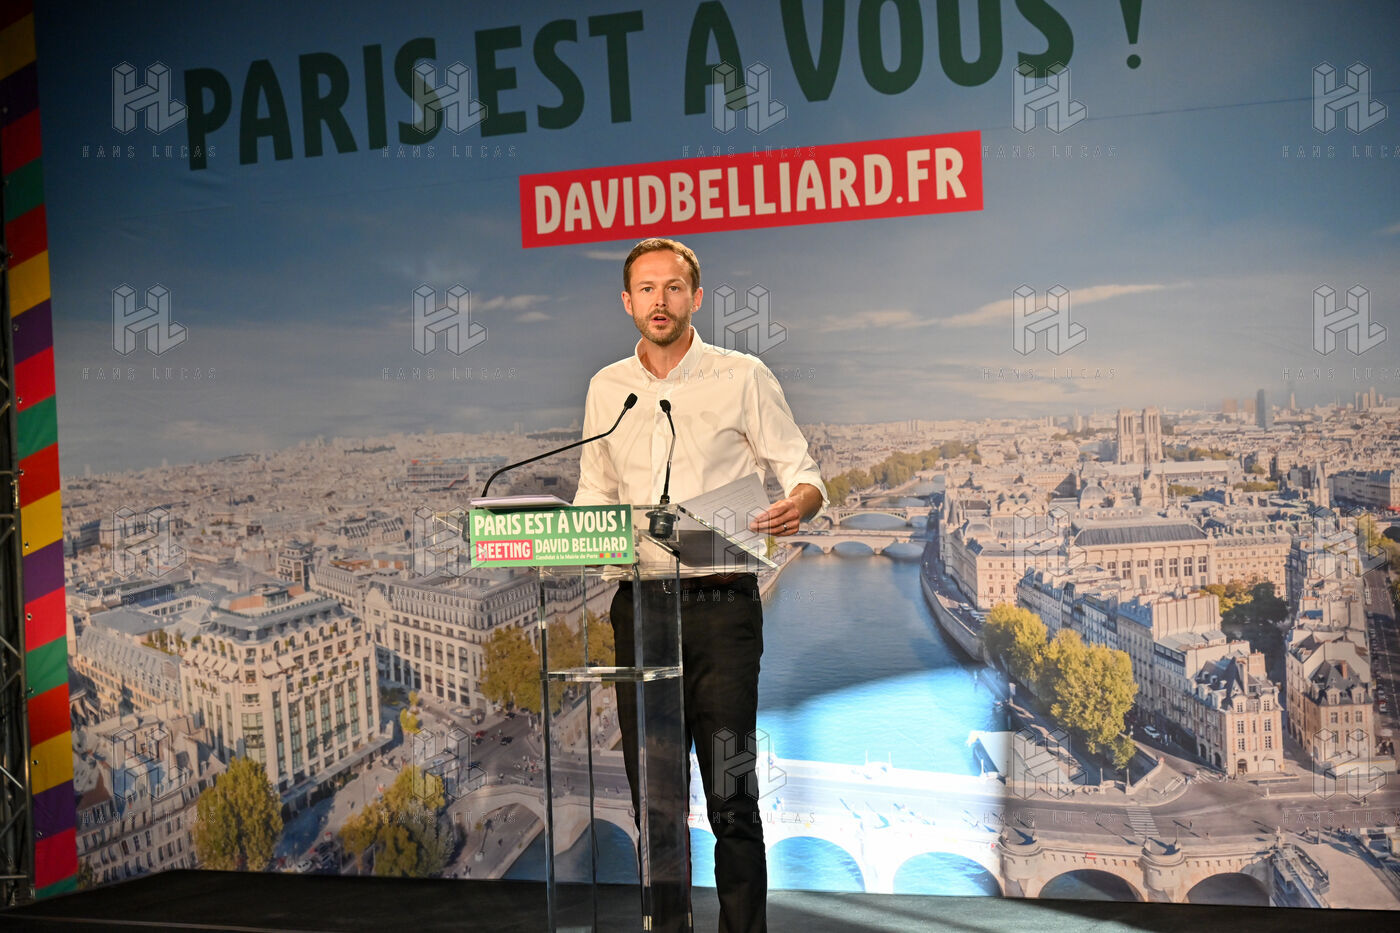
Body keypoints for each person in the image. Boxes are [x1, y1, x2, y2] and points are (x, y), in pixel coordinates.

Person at [574, 237, 825, 933]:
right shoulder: (606, 389)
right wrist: (572, 532)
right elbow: (594, 491)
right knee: (653, 803)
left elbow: (803, 473)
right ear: (627, 302)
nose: (659, 300)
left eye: (673, 287)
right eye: (646, 289)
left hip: (723, 612)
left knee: (733, 799)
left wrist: (798, 505)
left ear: (695, 298)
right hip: (640, 610)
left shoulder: (743, 376)